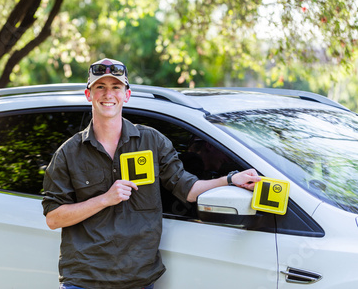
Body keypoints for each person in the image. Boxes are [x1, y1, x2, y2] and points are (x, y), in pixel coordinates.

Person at [42, 58, 260, 289]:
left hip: (138, 280)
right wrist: (105, 199)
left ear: (126, 95)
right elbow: (53, 218)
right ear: (89, 94)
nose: (108, 94)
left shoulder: (151, 141)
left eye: (116, 87)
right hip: (84, 281)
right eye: (100, 87)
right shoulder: (69, 152)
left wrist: (230, 179)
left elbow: (188, 189)